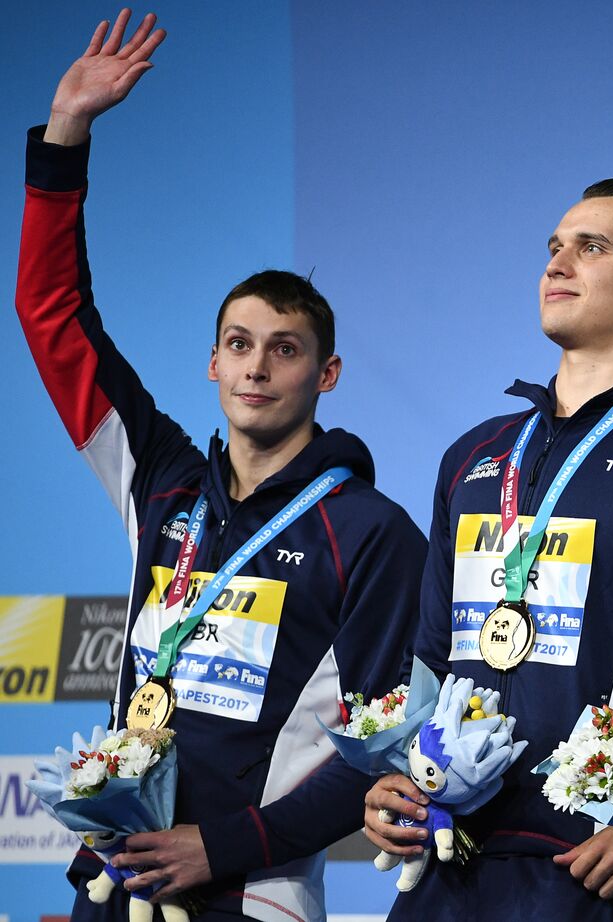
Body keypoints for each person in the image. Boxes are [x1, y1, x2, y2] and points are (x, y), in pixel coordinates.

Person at [16, 11, 428, 920]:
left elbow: (385, 746)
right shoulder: (160, 480)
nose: (255, 366)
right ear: (211, 362)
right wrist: (66, 136)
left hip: (255, 892)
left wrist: (225, 844)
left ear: (326, 375)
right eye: (238, 344)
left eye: (284, 350)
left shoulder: (370, 531)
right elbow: (53, 315)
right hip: (117, 881)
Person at [361, 175, 613, 918]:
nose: (557, 264)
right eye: (554, 247)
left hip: (593, 871)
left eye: (591, 247)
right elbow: (427, 657)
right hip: (445, 862)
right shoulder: (476, 454)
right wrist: (395, 771)